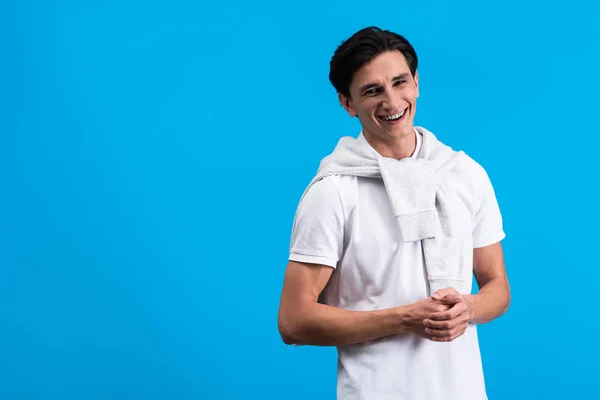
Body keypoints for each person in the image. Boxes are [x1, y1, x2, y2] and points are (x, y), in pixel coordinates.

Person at [277, 26, 511, 400]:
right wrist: (403, 319)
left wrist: (468, 307)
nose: (391, 101)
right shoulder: (333, 191)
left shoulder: (464, 174)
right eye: (372, 91)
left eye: (400, 82)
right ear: (347, 103)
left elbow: (496, 284)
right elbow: (293, 321)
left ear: (416, 83)